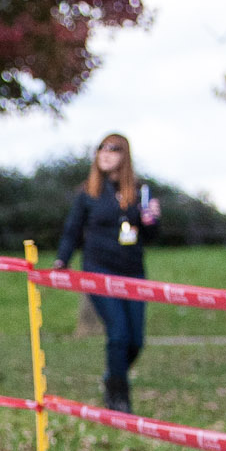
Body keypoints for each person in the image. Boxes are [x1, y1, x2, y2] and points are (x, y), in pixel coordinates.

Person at [53, 132, 161, 414]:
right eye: (101, 148)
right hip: (99, 271)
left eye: (113, 149)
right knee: (118, 333)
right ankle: (118, 397)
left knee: (136, 340)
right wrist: (62, 260)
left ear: (124, 156)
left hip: (133, 272)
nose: (105, 153)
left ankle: (112, 376)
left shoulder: (138, 192)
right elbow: (72, 231)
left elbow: (149, 236)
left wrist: (152, 220)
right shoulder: (87, 193)